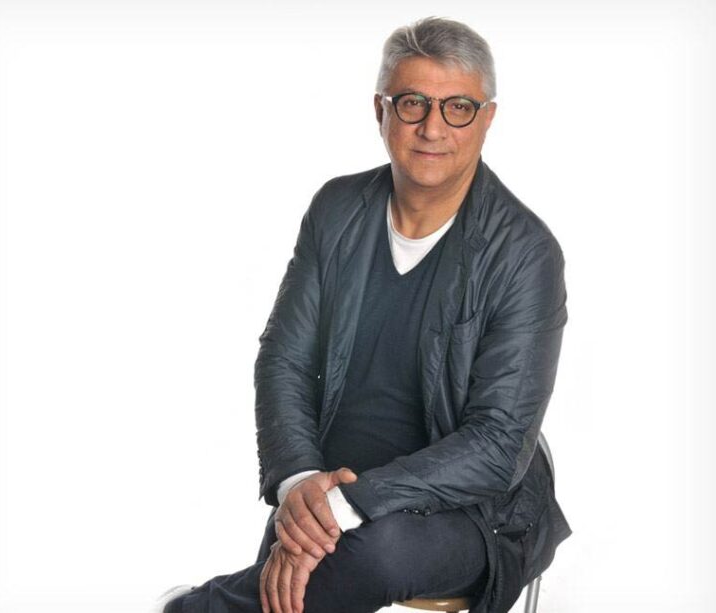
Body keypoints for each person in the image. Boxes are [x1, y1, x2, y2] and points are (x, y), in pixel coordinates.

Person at [159, 16, 571, 613]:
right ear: (380, 110)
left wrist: (347, 505)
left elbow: (496, 445)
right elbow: (284, 359)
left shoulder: (526, 254)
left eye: (458, 107)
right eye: (412, 103)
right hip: (328, 482)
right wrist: (300, 482)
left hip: (466, 510)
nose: (433, 127)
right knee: (304, 569)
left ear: (487, 119)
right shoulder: (337, 209)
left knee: (372, 557)